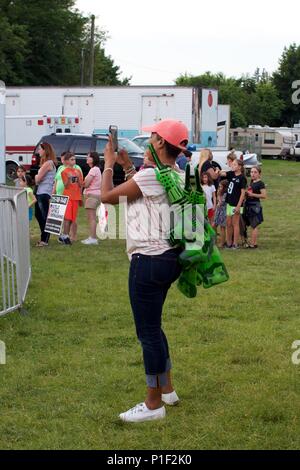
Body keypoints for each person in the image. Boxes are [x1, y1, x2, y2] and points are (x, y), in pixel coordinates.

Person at [101, 119, 190, 423]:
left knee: (148, 332)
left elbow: (108, 197)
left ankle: (153, 405)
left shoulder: (152, 175)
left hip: (147, 261)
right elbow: (138, 194)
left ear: (161, 143)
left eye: (151, 136)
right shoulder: (175, 174)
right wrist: (128, 166)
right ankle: (167, 389)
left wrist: (108, 165)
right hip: (169, 259)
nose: (146, 142)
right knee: (155, 326)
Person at [54, 152, 83, 242]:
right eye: (72, 159)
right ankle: (65, 236)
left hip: (76, 197)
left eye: (74, 159)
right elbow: (66, 185)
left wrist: (78, 178)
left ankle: (65, 235)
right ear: (66, 161)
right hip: (68, 196)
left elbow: (81, 184)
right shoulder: (64, 171)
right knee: (67, 217)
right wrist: (70, 178)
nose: (74, 161)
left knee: (72, 218)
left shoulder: (77, 171)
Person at [220, 159, 247, 249]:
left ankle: (235, 244)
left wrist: (239, 205)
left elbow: (243, 192)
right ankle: (229, 243)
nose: (232, 165)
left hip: (236, 204)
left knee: (235, 223)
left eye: (235, 164)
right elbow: (223, 174)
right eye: (232, 164)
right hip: (229, 203)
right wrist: (217, 170)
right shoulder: (231, 174)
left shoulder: (242, 178)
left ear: (239, 167)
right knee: (228, 223)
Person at [35, 142, 57, 247]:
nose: (38, 151)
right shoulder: (47, 163)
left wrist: (36, 177)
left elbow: (38, 179)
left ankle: (45, 240)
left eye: (40, 149)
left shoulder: (48, 163)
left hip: (44, 192)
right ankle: (43, 238)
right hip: (41, 192)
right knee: (38, 215)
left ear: (45, 150)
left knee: (43, 216)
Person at [82, 152, 102, 245]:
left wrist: (82, 182)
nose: (87, 158)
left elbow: (86, 184)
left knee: (92, 218)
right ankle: (92, 237)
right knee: (91, 217)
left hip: (92, 195)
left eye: (88, 157)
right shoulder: (95, 169)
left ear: (93, 159)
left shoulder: (93, 170)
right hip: (94, 195)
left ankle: (93, 238)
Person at [244, 166, 267, 249]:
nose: (252, 174)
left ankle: (253, 244)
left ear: (259, 174)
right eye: (251, 172)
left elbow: (264, 195)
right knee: (250, 225)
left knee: (254, 225)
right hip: (248, 205)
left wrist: (252, 194)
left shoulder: (260, 183)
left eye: (255, 172)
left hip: (255, 206)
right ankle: (252, 242)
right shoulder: (252, 182)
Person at [213, 179, 228, 248]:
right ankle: (214, 241)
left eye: (221, 187)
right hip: (218, 210)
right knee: (214, 225)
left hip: (223, 211)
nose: (219, 188)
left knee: (222, 227)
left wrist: (218, 195)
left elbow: (221, 202)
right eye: (219, 186)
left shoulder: (225, 194)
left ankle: (222, 243)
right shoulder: (220, 192)